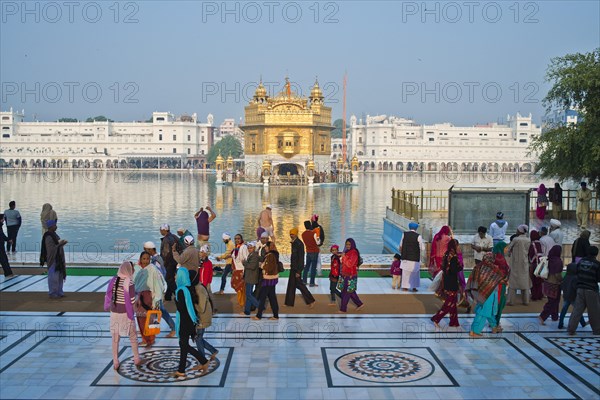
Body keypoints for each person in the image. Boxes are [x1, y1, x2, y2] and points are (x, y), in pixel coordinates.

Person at [105, 261, 143, 370]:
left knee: (115, 338)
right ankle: (136, 358)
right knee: (133, 336)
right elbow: (131, 301)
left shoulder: (113, 280)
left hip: (114, 313)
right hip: (126, 314)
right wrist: (138, 297)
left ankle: (115, 361)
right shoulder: (129, 282)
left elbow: (109, 295)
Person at [173, 268, 209, 377]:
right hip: (189, 321)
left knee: (183, 345)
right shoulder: (188, 288)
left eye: (176, 275)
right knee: (183, 345)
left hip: (184, 321)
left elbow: (182, 308)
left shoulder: (180, 291)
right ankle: (182, 369)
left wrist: (175, 300)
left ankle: (202, 361)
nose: (175, 277)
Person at [468, 249, 509, 338]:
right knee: (483, 312)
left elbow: (474, 280)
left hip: (481, 292)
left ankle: (494, 326)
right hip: (488, 293)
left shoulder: (478, 267)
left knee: (487, 310)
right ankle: (475, 330)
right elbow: (501, 279)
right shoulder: (492, 269)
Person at [133, 251, 166, 347]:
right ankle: (144, 339)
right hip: (138, 297)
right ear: (140, 259)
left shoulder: (152, 269)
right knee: (140, 319)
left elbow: (157, 284)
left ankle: (150, 339)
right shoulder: (137, 269)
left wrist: (156, 299)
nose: (146, 261)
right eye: (144, 259)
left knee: (150, 319)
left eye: (148, 259)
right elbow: (133, 281)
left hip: (148, 297)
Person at [144, 241, 176, 338]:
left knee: (159, 309)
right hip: (157, 289)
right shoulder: (157, 259)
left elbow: (159, 275)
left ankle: (172, 328)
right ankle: (150, 330)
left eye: (145, 250)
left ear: (150, 250)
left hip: (156, 290)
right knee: (158, 309)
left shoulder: (156, 261)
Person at [567, 246, 600, 335]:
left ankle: (571, 329)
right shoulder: (597, 264)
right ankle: (597, 330)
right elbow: (598, 278)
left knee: (577, 310)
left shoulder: (581, 262)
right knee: (594, 311)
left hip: (580, 288)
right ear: (596, 254)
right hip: (591, 290)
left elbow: (577, 272)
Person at [431, 239, 463, 328]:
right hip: (451, 282)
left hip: (447, 280)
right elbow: (454, 270)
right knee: (449, 303)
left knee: (453, 303)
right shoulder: (453, 257)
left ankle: (454, 322)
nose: (458, 247)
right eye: (457, 245)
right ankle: (436, 318)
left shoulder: (447, 254)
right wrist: (460, 267)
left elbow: (443, 267)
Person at [284, 227, 315, 308]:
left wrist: (299, 271)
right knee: (291, 285)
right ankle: (288, 303)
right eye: (290, 234)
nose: (291, 235)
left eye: (293, 234)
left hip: (297, 268)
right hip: (293, 267)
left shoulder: (299, 244)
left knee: (300, 285)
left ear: (296, 234)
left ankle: (311, 300)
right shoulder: (294, 243)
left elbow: (301, 258)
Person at [252, 241, 280, 320]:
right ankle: (275, 315)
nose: (265, 248)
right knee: (272, 297)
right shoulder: (275, 254)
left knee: (263, 297)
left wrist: (261, 265)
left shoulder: (270, 255)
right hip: (273, 279)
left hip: (268, 279)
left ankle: (258, 315)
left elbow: (269, 267)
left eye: (266, 247)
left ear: (269, 247)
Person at [40, 220, 67, 299]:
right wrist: (61, 244)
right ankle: (53, 293)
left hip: (58, 259)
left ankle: (59, 292)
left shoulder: (54, 235)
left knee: (59, 276)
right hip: (53, 259)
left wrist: (60, 244)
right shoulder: (48, 236)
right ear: (51, 227)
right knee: (53, 277)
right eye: (55, 225)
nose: (56, 226)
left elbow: (57, 245)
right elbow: (51, 249)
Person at [538, 245, 564, 325]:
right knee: (554, 301)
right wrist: (562, 280)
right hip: (555, 284)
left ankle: (554, 316)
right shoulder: (558, 261)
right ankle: (543, 316)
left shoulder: (548, 259)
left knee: (551, 300)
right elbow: (557, 274)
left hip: (547, 282)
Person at [194, 276, 218, 361]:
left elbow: (201, 307)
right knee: (198, 338)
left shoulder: (199, 289)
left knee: (198, 338)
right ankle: (213, 351)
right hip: (202, 316)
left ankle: (202, 359)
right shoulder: (197, 287)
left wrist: (192, 305)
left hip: (203, 317)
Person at [507, 224, 531, 306]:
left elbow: (508, 249)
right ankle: (526, 301)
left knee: (513, 282)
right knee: (524, 282)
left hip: (515, 263)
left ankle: (511, 301)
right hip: (524, 263)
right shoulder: (528, 240)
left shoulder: (516, 239)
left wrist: (509, 254)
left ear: (520, 231)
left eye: (517, 229)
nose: (516, 231)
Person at [558, 262, 587, 329]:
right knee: (578, 310)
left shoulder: (565, 276)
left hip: (566, 296)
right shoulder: (575, 278)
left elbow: (562, 286)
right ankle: (582, 323)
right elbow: (576, 287)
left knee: (563, 311)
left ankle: (560, 324)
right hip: (573, 297)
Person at [338, 238, 364, 313]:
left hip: (350, 276)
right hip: (345, 274)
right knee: (350, 291)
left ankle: (343, 309)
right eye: (346, 244)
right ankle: (360, 304)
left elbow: (350, 264)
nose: (348, 246)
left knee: (346, 292)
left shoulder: (354, 253)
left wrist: (344, 257)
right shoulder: (347, 251)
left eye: (349, 244)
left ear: (352, 244)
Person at [400, 222, 425, 292]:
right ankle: (414, 287)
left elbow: (401, 245)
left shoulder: (404, 234)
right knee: (415, 273)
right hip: (414, 258)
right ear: (416, 228)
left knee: (405, 273)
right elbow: (422, 248)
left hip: (405, 257)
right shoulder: (418, 236)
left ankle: (405, 287)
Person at [491, 242, 510, 329]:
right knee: (499, 302)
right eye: (505, 248)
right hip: (500, 284)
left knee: (496, 302)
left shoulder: (495, 256)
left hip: (495, 283)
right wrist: (505, 280)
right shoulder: (500, 258)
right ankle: (495, 323)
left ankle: (494, 321)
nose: (506, 249)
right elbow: (502, 271)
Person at [159, 224, 179, 301]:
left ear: (165, 230)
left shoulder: (166, 240)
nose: (160, 231)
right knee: (170, 279)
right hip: (174, 262)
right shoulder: (173, 236)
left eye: (161, 230)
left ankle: (178, 294)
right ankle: (168, 296)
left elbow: (165, 254)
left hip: (169, 263)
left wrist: (163, 264)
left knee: (169, 280)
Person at [241, 241, 260, 316]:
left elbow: (252, 267)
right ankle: (247, 311)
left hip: (251, 277)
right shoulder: (251, 254)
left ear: (254, 248)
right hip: (249, 277)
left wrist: (244, 263)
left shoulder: (254, 256)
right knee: (248, 294)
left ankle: (259, 306)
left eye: (251, 248)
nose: (249, 249)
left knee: (248, 294)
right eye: (248, 248)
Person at [231, 234, 248, 308]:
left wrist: (244, 272)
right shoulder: (236, 248)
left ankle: (242, 302)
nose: (237, 240)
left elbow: (246, 259)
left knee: (242, 288)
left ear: (241, 239)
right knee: (237, 286)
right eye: (235, 239)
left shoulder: (243, 247)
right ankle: (240, 301)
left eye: (238, 238)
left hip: (241, 270)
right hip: (236, 270)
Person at [301, 220, 320, 287]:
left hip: (308, 251)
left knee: (306, 267)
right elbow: (318, 242)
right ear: (310, 225)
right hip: (314, 252)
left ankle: (304, 281)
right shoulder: (313, 234)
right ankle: (312, 283)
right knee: (313, 268)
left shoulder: (303, 234)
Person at [528, 230, 544, 301]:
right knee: (539, 280)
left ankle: (534, 295)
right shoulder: (540, 243)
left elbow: (531, 254)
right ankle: (539, 294)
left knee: (533, 280)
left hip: (534, 264)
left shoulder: (532, 244)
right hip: (540, 263)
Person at [0, 214, 15, 278]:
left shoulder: (0, 226)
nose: (4, 220)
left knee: (4, 260)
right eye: (3, 218)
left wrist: (8, 239)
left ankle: (9, 273)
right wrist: (8, 239)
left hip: (1, 246)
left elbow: (2, 235)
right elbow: (1, 236)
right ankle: (8, 274)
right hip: (0, 247)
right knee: (4, 260)